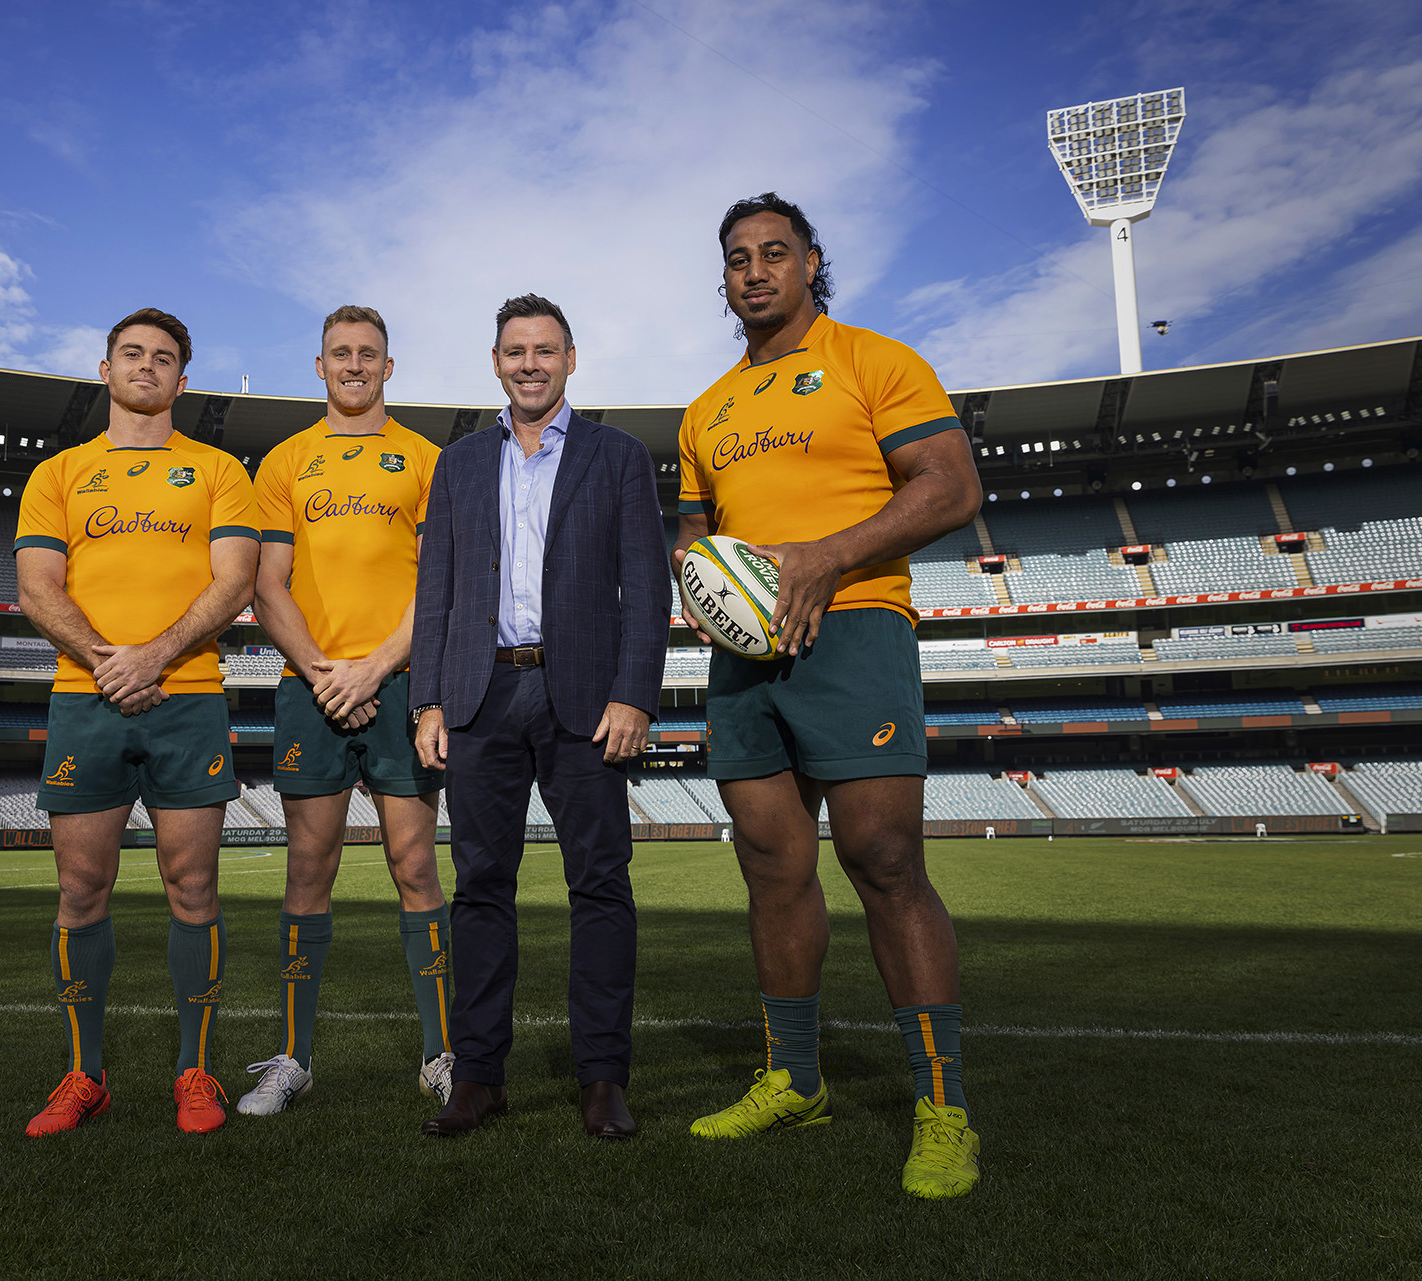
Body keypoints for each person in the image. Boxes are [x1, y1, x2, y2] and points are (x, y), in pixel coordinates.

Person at [674, 195, 985, 1199]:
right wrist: (701, 584)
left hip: (855, 628)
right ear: (723, 279)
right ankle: (795, 1082)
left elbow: (949, 485)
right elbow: (688, 533)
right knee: (770, 864)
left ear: (812, 262)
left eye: (774, 253)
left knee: (884, 859)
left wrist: (824, 560)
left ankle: (943, 1109)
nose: (755, 271)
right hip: (746, 658)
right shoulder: (705, 411)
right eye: (737, 259)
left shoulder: (876, 362)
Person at [411, 294, 668, 1139]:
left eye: (545, 350)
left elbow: (645, 586)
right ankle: (479, 1075)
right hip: (481, 696)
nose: (530, 363)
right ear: (494, 362)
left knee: (600, 884)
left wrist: (634, 693)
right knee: (481, 889)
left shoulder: (619, 457)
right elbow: (438, 591)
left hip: (586, 698)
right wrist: (428, 700)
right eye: (515, 350)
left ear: (570, 359)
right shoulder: (458, 464)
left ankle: (603, 1077)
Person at [13, 307, 259, 1138]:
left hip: (187, 698)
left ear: (182, 379)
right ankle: (85, 1073)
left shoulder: (221, 470)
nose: (146, 367)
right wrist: (107, 660)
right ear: (105, 368)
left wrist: (149, 657)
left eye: (163, 358)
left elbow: (233, 582)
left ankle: (196, 1068)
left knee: (193, 888)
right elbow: (37, 586)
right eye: (132, 354)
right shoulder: (58, 474)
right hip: (84, 700)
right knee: (81, 891)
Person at [237, 305, 452, 1117]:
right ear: (319, 366)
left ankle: (439, 1053)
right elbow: (267, 583)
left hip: (401, 683)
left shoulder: (425, 458)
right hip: (311, 682)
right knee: (307, 868)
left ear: (388, 368)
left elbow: (437, 584)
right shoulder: (286, 461)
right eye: (340, 354)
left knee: (415, 864)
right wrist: (328, 670)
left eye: (368, 354)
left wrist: (373, 668)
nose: (354, 364)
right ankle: (292, 1058)